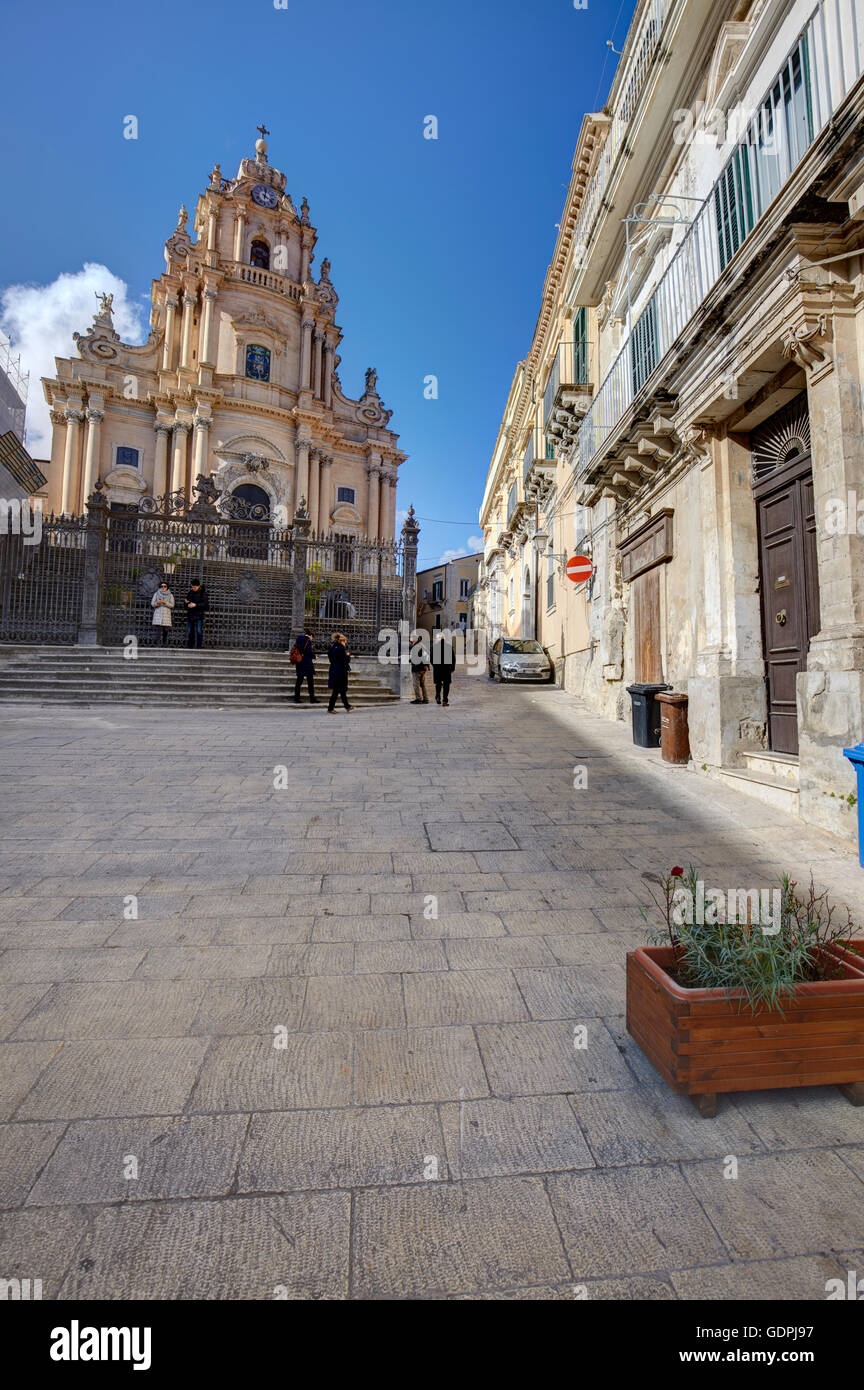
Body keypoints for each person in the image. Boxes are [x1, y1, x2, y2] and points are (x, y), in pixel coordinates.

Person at [327, 632, 353, 713]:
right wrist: (348, 656)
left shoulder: (332, 648)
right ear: (342, 641)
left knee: (341, 690)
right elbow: (345, 661)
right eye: (345, 642)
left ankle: (347, 706)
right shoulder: (341, 649)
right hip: (340, 671)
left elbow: (331, 659)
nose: (346, 643)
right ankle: (330, 708)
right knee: (337, 690)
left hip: (333, 670)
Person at [292, 628, 318, 704]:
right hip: (307, 663)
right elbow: (308, 652)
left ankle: (297, 698)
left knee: (299, 681)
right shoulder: (308, 640)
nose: (312, 639)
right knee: (310, 682)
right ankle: (312, 698)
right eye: (312, 638)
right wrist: (314, 656)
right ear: (310, 636)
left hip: (299, 662)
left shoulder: (298, 639)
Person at [432, 633, 457, 707]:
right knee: (446, 685)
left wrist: (435, 666)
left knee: (438, 683)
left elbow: (431, 659)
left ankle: (438, 696)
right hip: (446, 669)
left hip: (438, 669)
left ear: (439, 639)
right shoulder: (449, 647)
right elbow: (453, 659)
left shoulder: (435, 647)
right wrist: (452, 668)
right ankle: (445, 701)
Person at [184, 580, 209, 649]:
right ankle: (190, 645)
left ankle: (199, 646)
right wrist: (187, 603)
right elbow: (185, 604)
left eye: (194, 587)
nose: (193, 588)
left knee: (199, 631)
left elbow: (206, 605)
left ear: (198, 586)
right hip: (190, 614)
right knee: (190, 631)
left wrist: (195, 605)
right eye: (192, 587)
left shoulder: (203, 593)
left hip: (199, 615)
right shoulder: (190, 593)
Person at [151, 581, 174, 646]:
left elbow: (172, 605)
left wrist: (165, 603)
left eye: (165, 586)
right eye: (161, 586)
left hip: (166, 615)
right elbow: (152, 604)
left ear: (167, 587)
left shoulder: (170, 595)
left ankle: (164, 644)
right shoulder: (156, 594)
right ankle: (158, 644)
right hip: (158, 614)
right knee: (158, 630)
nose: (163, 587)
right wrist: (157, 603)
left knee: (165, 630)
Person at [410, 637, 430, 705]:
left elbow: (424, 656)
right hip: (422, 668)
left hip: (417, 668)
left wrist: (426, 665)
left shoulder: (417, 646)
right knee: (422, 684)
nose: (411, 640)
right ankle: (425, 699)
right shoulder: (421, 645)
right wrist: (426, 665)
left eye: (412, 639)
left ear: (416, 639)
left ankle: (418, 699)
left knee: (416, 685)